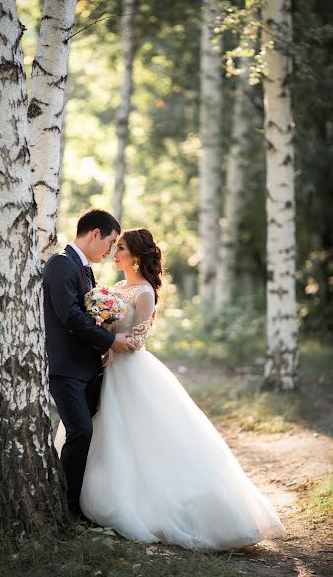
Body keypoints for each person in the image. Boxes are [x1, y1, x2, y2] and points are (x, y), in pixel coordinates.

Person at [55, 227, 285, 550]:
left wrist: (109, 335)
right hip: (108, 370)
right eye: (115, 247)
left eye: (120, 249)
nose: (114, 254)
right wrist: (102, 326)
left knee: (142, 438)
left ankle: (155, 504)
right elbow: (106, 327)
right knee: (106, 434)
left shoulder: (144, 293)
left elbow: (136, 341)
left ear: (135, 257)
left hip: (132, 373)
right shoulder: (118, 287)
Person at [43, 209, 136, 520]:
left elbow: (89, 314)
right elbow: (69, 316)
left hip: (86, 366)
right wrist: (110, 341)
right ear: (94, 234)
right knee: (80, 431)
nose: (110, 250)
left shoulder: (86, 271)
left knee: (89, 432)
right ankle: (66, 509)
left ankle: (80, 503)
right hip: (65, 366)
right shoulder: (61, 264)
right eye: (109, 242)